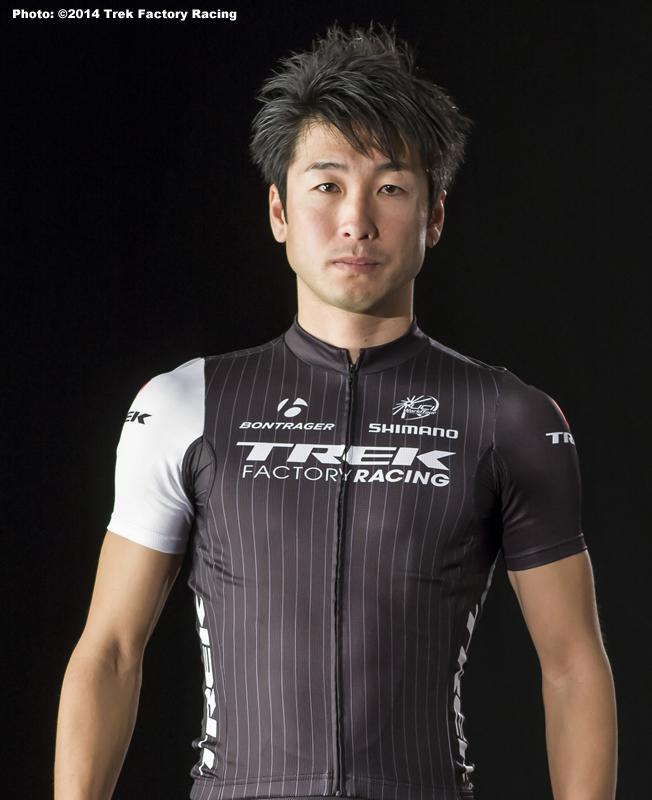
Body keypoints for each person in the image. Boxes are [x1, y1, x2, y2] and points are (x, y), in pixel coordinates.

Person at [54, 22, 617, 800]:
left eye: (391, 188)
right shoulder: (186, 406)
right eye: (326, 186)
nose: (357, 220)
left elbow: (573, 665)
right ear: (279, 211)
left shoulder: (509, 418)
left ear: (435, 216)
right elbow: (111, 651)